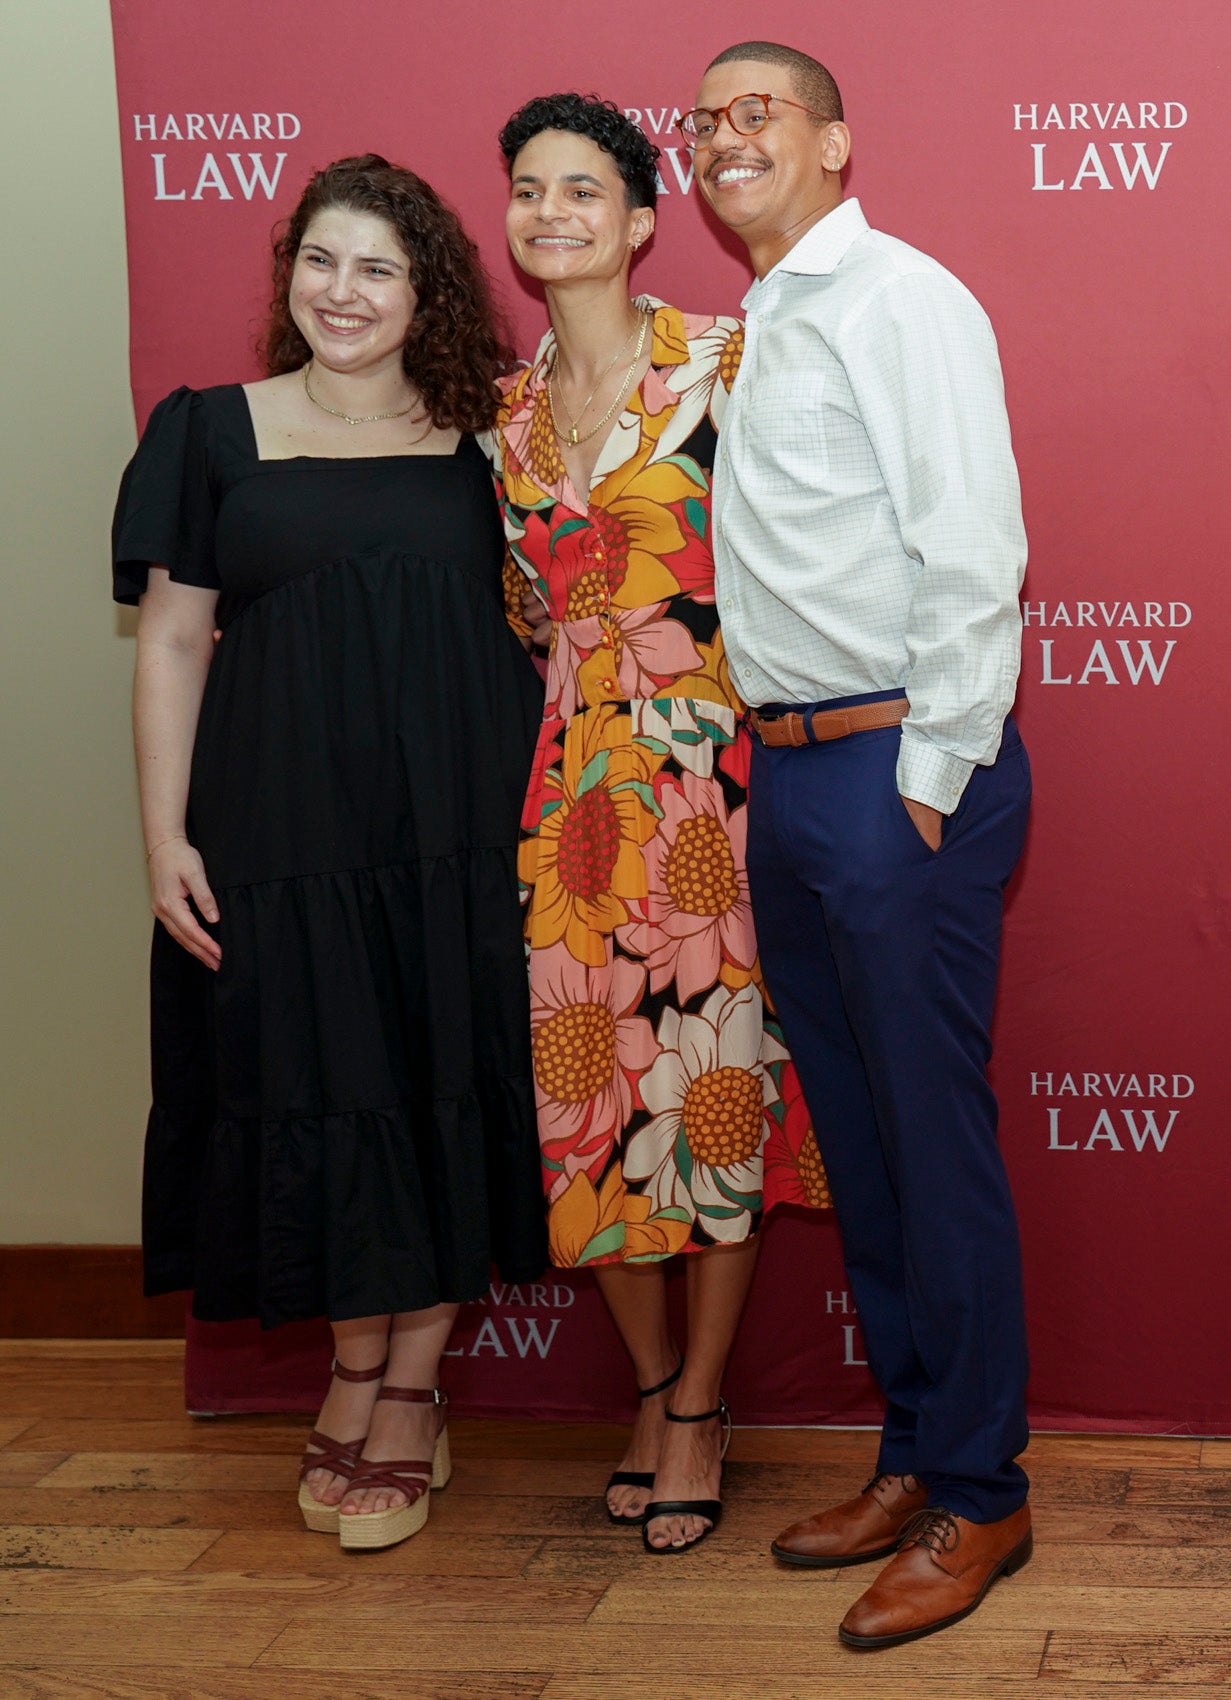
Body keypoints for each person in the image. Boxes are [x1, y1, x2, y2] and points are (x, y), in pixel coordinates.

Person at [116, 155, 542, 1551]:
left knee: (433, 1084)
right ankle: (355, 1367)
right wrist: (164, 834)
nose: (341, 292)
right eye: (319, 260)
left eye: (377, 268)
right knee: (326, 1084)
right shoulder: (209, 431)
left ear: (426, 294)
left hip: (455, 839)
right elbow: (175, 639)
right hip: (278, 836)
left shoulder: (494, 440)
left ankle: (407, 1393)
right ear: (287, 270)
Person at [680, 41, 1034, 1645]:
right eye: (703, 121)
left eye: (756, 109)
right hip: (796, 771)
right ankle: (909, 1452)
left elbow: (971, 542)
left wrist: (934, 770)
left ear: (834, 138)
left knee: (930, 1137)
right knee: (868, 1143)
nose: (721, 136)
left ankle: (981, 1492)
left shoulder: (903, 298)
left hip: (903, 764)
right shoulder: (755, 327)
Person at [493, 92, 821, 1556]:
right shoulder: (503, 414)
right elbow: (521, 621)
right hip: (569, 799)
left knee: (712, 1096)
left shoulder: (724, 363)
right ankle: (643, 1383)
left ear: (641, 220)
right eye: (526, 188)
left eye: (582, 187)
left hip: (712, 782)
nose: (549, 210)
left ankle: (698, 1404)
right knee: (586, 1105)